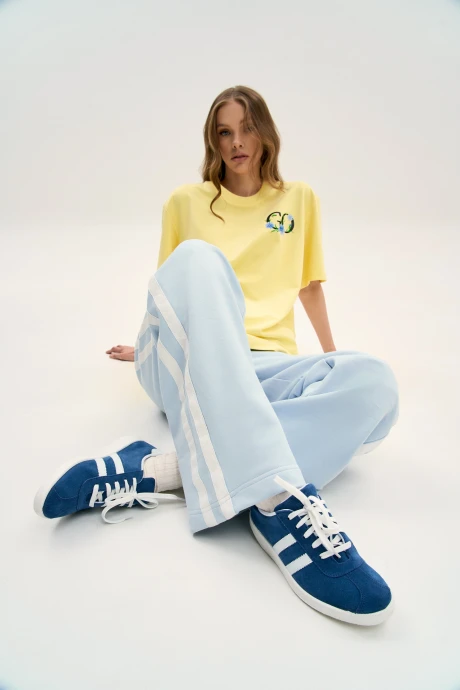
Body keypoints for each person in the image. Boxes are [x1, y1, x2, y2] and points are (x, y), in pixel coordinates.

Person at [33, 85, 399, 627]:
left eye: (246, 129)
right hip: (190, 359)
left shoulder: (300, 200)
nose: (236, 142)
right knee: (200, 259)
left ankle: (164, 470)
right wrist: (149, 350)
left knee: (374, 382)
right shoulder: (186, 202)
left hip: (262, 365)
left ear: (265, 133)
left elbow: (310, 287)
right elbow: (171, 290)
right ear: (214, 141)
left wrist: (331, 359)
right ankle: (277, 502)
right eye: (224, 132)